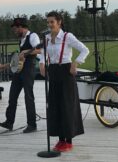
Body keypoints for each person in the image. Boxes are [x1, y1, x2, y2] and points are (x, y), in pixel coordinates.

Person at [39, 11, 90, 152]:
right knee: (55, 105)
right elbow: (44, 53)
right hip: (54, 72)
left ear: (59, 22)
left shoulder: (68, 36)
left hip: (66, 72)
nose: (49, 25)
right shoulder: (47, 38)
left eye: (52, 22)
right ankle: (60, 139)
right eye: (48, 22)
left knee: (67, 105)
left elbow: (85, 50)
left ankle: (68, 140)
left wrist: (76, 63)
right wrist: (42, 63)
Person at [0, 18, 40, 133]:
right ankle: (9, 122)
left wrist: (25, 52)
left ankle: (32, 124)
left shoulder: (33, 36)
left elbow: (39, 50)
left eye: (15, 29)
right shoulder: (21, 39)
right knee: (12, 96)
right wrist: (5, 66)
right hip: (19, 71)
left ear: (21, 27)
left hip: (28, 71)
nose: (15, 32)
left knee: (28, 97)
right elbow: (19, 60)